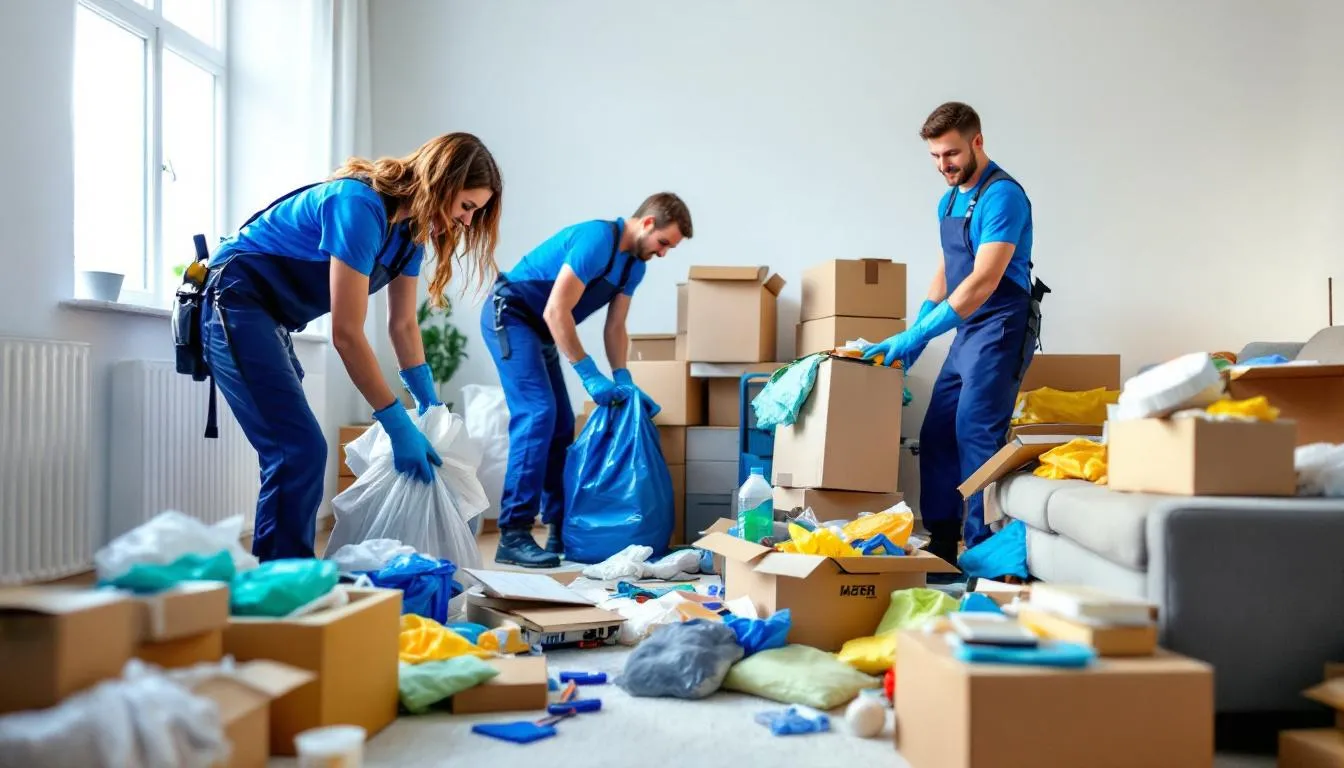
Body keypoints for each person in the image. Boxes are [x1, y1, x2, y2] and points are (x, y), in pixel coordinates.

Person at [201, 132, 504, 561]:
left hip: (268, 316)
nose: (467, 222)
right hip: (231, 300)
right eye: (467, 206)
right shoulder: (358, 205)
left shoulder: (410, 234)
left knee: (298, 450)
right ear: (441, 182)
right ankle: (282, 583)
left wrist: (430, 405)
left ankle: (288, 575)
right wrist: (396, 424)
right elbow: (346, 332)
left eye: (476, 212)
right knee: (298, 449)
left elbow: (403, 325)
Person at [863, 102, 1042, 567]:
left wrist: (913, 339)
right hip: (967, 329)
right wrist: (917, 333)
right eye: (936, 157)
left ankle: (982, 552)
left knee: (974, 431)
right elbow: (947, 270)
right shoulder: (949, 200)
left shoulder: (1003, 196)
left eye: (952, 154)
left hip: (1000, 326)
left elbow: (983, 280)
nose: (944, 165)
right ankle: (943, 543)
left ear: (977, 142)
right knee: (937, 432)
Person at [482, 193, 693, 568]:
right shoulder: (597, 239)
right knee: (537, 414)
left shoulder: (634, 267)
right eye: (663, 243)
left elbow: (616, 327)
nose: (663, 253)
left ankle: (560, 528)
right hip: (511, 314)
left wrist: (622, 375)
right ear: (647, 223)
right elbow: (556, 310)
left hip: (543, 330)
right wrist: (589, 374)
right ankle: (513, 533)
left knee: (562, 427)